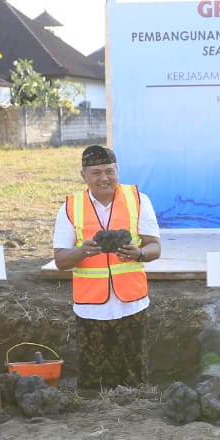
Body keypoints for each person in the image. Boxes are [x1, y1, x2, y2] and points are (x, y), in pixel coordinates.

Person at [53, 144, 161, 391]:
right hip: (91, 308)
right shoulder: (70, 207)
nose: (104, 178)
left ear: (117, 171)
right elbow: (60, 261)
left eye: (110, 171)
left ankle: (134, 411)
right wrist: (82, 251)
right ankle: (94, 411)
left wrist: (139, 254)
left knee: (135, 379)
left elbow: (155, 247)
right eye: (96, 172)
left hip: (132, 304)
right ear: (84, 175)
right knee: (94, 382)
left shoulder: (138, 200)